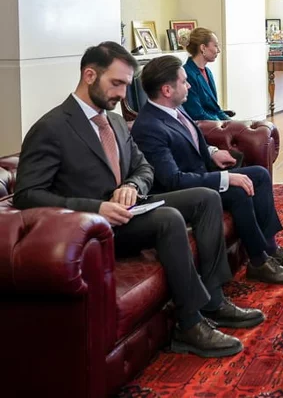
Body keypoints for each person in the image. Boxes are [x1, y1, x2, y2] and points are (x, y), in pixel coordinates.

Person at [13, 42, 263, 358]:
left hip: (131, 208)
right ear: (89, 75)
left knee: (205, 197)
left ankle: (213, 299)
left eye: (126, 85)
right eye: (116, 83)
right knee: (169, 219)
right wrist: (96, 208)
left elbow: (144, 167)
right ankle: (189, 325)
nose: (122, 94)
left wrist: (132, 184)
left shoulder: (116, 121)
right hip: (93, 228)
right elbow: (27, 195)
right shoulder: (51, 128)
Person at [132, 55, 283, 285]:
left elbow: (190, 139)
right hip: (183, 191)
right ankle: (259, 263)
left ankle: (271, 248)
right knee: (237, 190)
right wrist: (224, 178)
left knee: (259, 175)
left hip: (201, 173)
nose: (189, 86)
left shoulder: (174, 109)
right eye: (184, 82)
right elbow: (173, 180)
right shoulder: (149, 127)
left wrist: (212, 151)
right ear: (167, 90)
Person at [183, 27, 233, 121]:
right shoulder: (186, 74)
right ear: (203, 48)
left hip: (215, 123)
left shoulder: (208, 72)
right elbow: (197, 114)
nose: (218, 50)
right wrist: (223, 125)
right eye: (215, 45)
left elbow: (216, 109)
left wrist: (234, 124)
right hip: (204, 127)